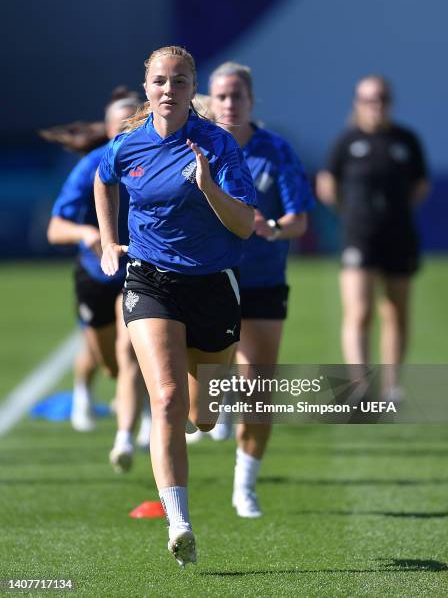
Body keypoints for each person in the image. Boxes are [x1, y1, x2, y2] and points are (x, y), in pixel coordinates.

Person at [94, 46, 256, 567]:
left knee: (203, 417)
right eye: (160, 81)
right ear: (147, 89)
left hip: (212, 284)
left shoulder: (219, 145)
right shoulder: (127, 146)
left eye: (179, 81)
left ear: (192, 88)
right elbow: (103, 178)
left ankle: (203, 413)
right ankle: (179, 522)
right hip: (150, 279)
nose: (169, 90)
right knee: (164, 399)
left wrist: (208, 185)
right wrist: (106, 240)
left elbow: (244, 224)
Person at [187, 62, 315, 519]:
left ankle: (245, 486)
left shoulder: (275, 151)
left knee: (258, 385)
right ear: (209, 100)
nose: (228, 104)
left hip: (260, 281)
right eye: (221, 96)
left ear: (252, 100)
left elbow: (299, 219)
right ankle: (209, 406)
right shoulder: (194, 145)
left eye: (237, 95)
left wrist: (272, 228)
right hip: (206, 277)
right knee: (200, 385)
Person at [47, 89, 148, 472]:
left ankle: (135, 430)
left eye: (132, 119)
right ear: (105, 130)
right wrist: (87, 235)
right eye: (117, 122)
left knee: (131, 351)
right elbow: (55, 229)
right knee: (110, 364)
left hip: (140, 272)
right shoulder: (90, 167)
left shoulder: (153, 158)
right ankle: (85, 394)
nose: (125, 127)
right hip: (95, 274)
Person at [316, 75, 429, 399]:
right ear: (357, 102)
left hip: (399, 234)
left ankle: (393, 385)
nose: (375, 105)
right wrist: (352, 214)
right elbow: (328, 185)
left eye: (381, 98)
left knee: (395, 310)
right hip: (359, 236)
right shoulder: (347, 141)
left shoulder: (405, 140)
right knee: (359, 311)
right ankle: (361, 383)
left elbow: (420, 185)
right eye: (368, 99)